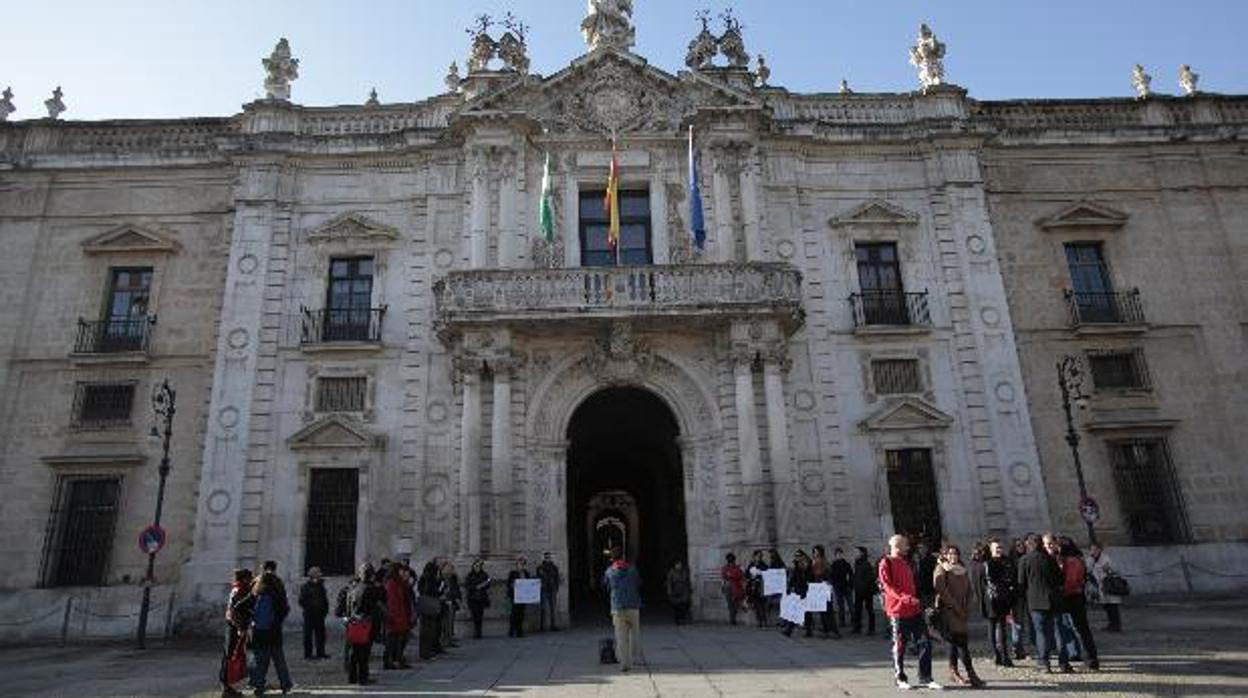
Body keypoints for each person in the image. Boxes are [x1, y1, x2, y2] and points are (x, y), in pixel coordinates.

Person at [879, 534, 941, 691]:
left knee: (925, 641)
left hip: (914, 609)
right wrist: (904, 598)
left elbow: (912, 584)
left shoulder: (907, 562)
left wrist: (917, 600)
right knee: (900, 645)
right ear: (897, 546)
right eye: (905, 544)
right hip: (898, 611)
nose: (908, 547)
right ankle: (900, 678)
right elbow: (887, 587)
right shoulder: (886, 562)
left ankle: (926, 677)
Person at [1018, 533, 1072, 674]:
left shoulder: (1024, 560)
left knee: (1041, 632)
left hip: (1036, 602)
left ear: (1029, 545)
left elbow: (1021, 583)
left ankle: (1044, 662)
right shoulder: (1049, 558)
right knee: (1058, 631)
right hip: (1054, 600)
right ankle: (1064, 663)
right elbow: (1060, 579)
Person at [934, 543, 985, 688]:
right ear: (945, 555)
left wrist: (968, 607)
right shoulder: (941, 569)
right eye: (949, 553)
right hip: (949, 611)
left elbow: (970, 590)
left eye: (955, 553)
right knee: (959, 644)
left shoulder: (962, 570)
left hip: (962, 611)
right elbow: (942, 592)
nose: (953, 556)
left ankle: (956, 671)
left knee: (957, 644)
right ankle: (969, 674)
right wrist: (957, 609)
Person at [249, 561, 293, 695]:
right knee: (279, 659)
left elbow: (245, 606)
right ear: (274, 569)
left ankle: (258, 686)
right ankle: (285, 685)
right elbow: (284, 608)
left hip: (258, 630)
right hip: (274, 629)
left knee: (259, 659)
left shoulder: (256, 586)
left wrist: (252, 620)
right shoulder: (278, 586)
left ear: (263, 569)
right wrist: (278, 620)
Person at [1060, 538, 1099, 670]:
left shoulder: (1070, 561)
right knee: (1082, 628)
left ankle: (1089, 658)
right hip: (1078, 595)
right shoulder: (1079, 559)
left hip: (1071, 597)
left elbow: (1070, 581)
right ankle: (1090, 657)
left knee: (1076, 628)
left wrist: (1062, 590)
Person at [602, 548, 643, 672]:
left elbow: (606, 586)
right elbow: (639, 583)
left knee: (621, 636)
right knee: (635, 634)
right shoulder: (632, 570)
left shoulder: (609, 572)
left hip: (618, 606)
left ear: (612, 559)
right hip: (633, 605)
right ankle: (635, 659)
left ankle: (625, 663)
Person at [344, 564, 385, 685]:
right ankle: (363, 677)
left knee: (355, 652)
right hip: (366, 623)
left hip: (354, 622)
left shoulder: (354, 588)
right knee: (364, 652)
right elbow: (374, 608)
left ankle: (352, 677)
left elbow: (348, 606)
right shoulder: (370, 589)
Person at [984, 537, 1018, 667]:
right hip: (993, 599)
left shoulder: (1006, 561)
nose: (999, 550)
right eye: (996, 548)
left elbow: (1011, 577)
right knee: (994, 627)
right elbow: (988, 582)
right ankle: (998, 655)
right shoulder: (988, 563)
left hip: (1004, 598)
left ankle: (1003, 655)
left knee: (1002, 628)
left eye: (1000, 547)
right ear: (991, 549)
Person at [221, 568, 254, 696]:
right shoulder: (239, 590)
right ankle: (227, 686)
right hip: (234, 628)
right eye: (249, 578)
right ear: (244, 579)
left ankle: (229, 686)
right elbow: (233, 612)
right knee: (230, 656)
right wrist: (240, 628)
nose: (251, 580)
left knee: (232, 655)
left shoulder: (238, 589)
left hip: (235, 627)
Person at [383, 565, 413, 669]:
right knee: (392, 641)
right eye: (401, 571)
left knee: (400, 639)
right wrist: (394, 617)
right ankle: (391, 661)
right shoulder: (391, 584)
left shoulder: (400, 583)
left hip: (401, 615)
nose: (403, 573)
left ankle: (398, 659)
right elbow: (393, 603)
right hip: (395, 617)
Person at [1088, 544, 1123, 632]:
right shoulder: (1091, 560)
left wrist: (1108, 569)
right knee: (1107, 606)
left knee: (1113, 607)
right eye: (1091, 550)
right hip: (1102, 587)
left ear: (1099, 550)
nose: (1093, 552)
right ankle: (1111, 624)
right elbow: (1089, 570)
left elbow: (1114, 570)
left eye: (1094, 549)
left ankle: (1116, 625)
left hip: (1110, 585)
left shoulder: (1106, 558)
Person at [298, 566, 330, 660]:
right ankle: (308, 654)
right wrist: (309, 607)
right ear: (312, 575)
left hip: (320, 613)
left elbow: (324, 599)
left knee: (321, 634)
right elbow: (301, 600)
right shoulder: (305, 586)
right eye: (317, 572)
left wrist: (325, 610)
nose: (319, 574)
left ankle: (321, 652)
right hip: (309, 613)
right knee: (308, 635)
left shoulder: (321, 586)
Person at [782, 550, 814, 638]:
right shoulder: (797, 565)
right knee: (795, 611)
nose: (797, 557)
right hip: (798, 590)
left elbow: (810, 576)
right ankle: (789, 630)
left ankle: (808, 631)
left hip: (805, 590)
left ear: (802, 556)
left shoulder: (807, 565)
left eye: (798, 556)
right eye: (796, 556)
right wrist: (791, 586)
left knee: (806, 612)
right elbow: (794, 576)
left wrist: (808, 583)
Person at [851, 546, 877, 635]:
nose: (855, 554)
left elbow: (870, 578)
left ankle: (871, 629)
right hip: (858, 590)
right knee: (857, 609)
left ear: (862, 553)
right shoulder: (857, 563)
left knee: (869, 609)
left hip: (866, 591)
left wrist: (865, 587)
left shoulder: (866, 564)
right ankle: (857, 627)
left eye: (856, 552)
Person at [464, 559, 492, 639]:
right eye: (476, 566)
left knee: (480, 615)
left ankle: (478, 632)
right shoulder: (470, 575)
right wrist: (475, 587)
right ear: (473, 566)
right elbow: (467, 585)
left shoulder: (484, 574)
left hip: (481, 598)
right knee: (474, 615)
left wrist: (484, 585)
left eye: (479, 566)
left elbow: (488, 582)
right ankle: (476, 631)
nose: (477, 568)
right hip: (473, 598)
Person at [506, 556, 531, 638]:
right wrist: (512, 585)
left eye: (523, 564)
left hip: (523, 597)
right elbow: (509, 584)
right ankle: (512, 630)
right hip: (515, 596)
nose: (521, 566)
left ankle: (519, 630)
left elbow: (529, 584)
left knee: (521, 614)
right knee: (514, 614)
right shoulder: (512, 573)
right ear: (517, 565)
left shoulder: (526, 573)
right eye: (520, 564)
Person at [829, 547, 854, 629]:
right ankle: (842, 621)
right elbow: (831, 576)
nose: (839, 556)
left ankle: (854, 620)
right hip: (838, 587)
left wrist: (850, 584)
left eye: (840, 554)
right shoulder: (833, 565)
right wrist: (834, 584)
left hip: (846, 586)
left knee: (850, 604)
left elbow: (851, 574)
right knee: (840, 605)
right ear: (835, 555)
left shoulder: (846, 564)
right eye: (837, 554)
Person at [536, 552, 561, 632]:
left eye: (549, 557)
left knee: (553, 608)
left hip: (552, 589)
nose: (547, 559)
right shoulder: (540, 567)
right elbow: (538, 578)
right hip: (543, 589)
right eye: (546, 557)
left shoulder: (554, 567)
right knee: (543, 608)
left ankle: (553, 625)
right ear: (544, 558)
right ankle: (542, 626)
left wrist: (556, 587)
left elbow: (557, 578)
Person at [439, 561, 462, 648]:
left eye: (452, 569)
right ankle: (445, 639)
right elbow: (441, 590)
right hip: (445, 602)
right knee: (445, 623)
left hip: (452, 602)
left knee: (450, 622)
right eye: (449, 568)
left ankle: (449, 638)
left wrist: (458, 597)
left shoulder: (453, 578)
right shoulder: (441, 578)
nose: (451, 570)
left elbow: (456, 589)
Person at [745, 550, 769, 628]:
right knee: (756, 605)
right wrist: (750, 578)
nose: (759, 557)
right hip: (753, 587)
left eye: (760, 556)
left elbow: (767, 573)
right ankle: (759, 621)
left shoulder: (763, 565)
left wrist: (760, 573)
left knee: (761, 604)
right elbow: (746, 575)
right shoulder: (751, 565)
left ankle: (764, 621)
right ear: (754, 557)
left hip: (761, 587)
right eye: (758, 556)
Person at [720, 553, 745, 625]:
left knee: (735, 603)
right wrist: (723, 586)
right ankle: (732, 619)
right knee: (730, 603)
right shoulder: (725, 568)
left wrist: (731, 575)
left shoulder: (737, 567)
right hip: (729, 586)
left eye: (731, 560)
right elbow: (723, 577)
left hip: (736, 586)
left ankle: (733, 617)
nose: (730, 561)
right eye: (729, 560)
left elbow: (740, 576)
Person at [665, 560, 693, 624]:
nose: (679, 566)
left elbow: (688, 580)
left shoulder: (684, 571)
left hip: (684, 590)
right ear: (675, 565)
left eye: (680, 564)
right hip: (676, 590)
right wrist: (669, 591)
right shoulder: (671, 572)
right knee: (677, 606)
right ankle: (677, 619)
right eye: (678, 564)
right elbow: (669, 582)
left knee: (685, 605)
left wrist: (690, 589)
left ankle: (682, 618)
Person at [914, 541, 938, 608]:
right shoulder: (916, 559)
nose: (920, 550)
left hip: (929, 589)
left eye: (922, 547)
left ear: (926, 548)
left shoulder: (932, 559)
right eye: (918, 548)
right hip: (919, 590)